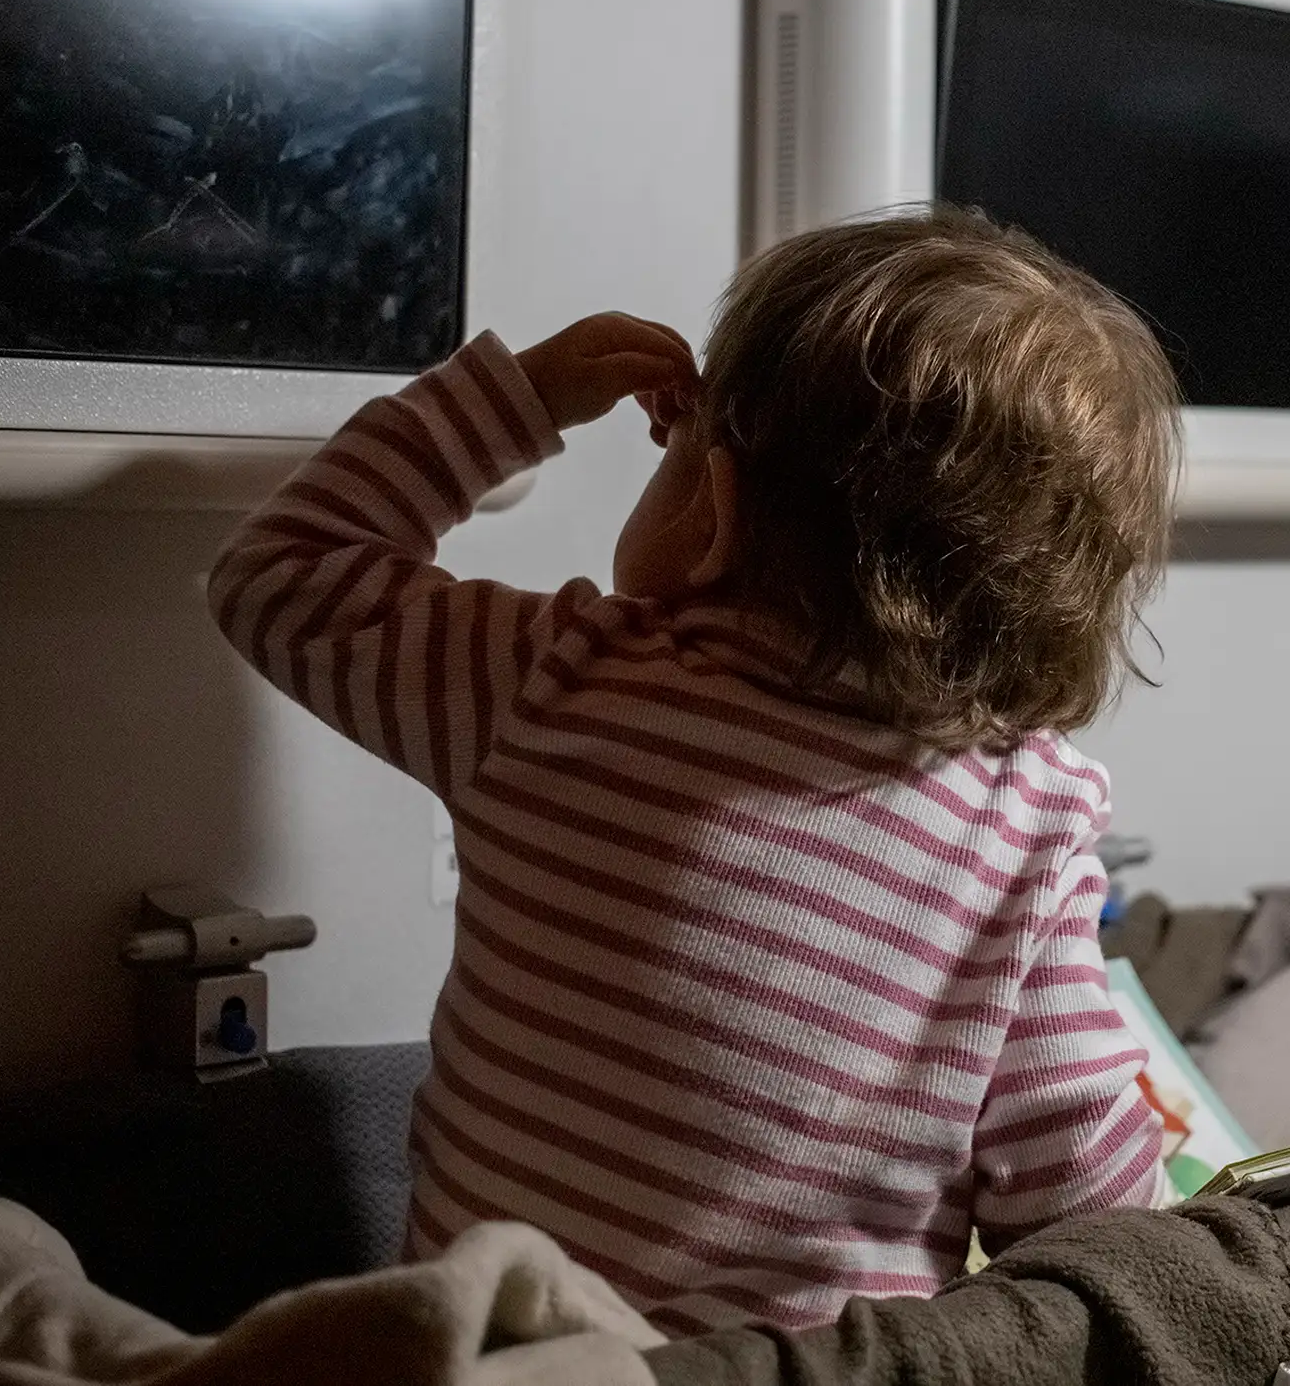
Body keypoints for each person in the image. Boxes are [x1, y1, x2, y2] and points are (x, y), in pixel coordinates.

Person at [208, 206, 1181, 1336]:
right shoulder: (1024, 827)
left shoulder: (548, 679)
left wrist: (515, 402)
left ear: (712, 511)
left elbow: (279, 573)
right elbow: (1085, 1215)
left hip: (492, 1360)